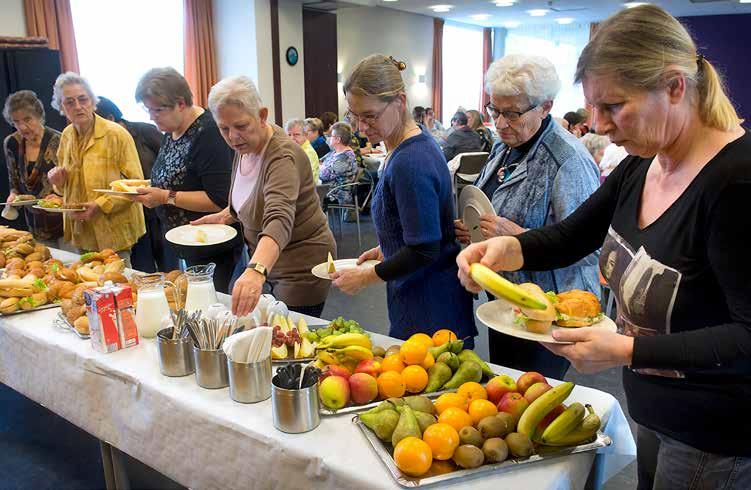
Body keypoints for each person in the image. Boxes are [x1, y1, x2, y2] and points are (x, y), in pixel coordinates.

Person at [457, 6, 751, 488]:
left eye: (613, 106)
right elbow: (572, 234)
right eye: (593, 106)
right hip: (657, 411)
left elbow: (747, 336)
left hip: (713, 433)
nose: (597, 124)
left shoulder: (735, 182)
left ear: (675, 87)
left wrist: (627, 350)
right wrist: (505, 252)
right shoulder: (644, 162)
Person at [454, 54, 600, 379]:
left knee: (531, 398)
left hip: (547, 312)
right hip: (505, 301)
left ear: (545, 107)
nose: (501, 123)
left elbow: (590, 249)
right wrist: (474, 232)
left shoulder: (568, 161)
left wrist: (518, 235)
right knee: (506, 388)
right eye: (495, 110)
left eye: (512, 113)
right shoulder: (504, 145)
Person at [331, 54, 476, 344]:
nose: (361, 127)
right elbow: (419, 225)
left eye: (369, 116)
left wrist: (366, 278)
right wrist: (389, 245)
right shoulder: (413, 145)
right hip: (425, 295)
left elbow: (424, 249)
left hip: (429, 305)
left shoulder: (410, 160)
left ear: (399, 101)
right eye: (353, 116)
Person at [194, 76, 336, 318]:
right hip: (269, 262)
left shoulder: (281, 157)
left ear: (262, 115)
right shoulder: (247, 145)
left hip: (299, 269)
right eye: (224, 128)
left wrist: (256, 271)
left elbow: (278, 218)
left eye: (240, 126)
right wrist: (227, 215)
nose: (232, 136)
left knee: (286, 342)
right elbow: (253, 195)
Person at [130, 67, 240, 293]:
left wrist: (164, 197)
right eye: (148, 110)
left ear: (180, 103)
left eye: (157, 110)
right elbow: (174, 177)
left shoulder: (209, 133)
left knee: (207, 308)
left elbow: (219, 199)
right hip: (182, 241)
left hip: (209, 246)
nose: (151, 117)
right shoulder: (171, 130)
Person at [48, 73, 145, 263]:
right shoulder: (66, 136)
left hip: (114, 231)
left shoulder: (116, 134)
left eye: (83, 99)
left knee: (119, 285)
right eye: (69, 102)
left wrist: (100, 205)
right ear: (61, 107)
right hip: (81, 230)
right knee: (88, 284)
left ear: (93, 101)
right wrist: (58, 184)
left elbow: (136, 184)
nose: (77, 106)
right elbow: (64, 187)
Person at [95, 96, 164, 272]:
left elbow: (168, 164)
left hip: (159, 210)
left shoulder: (146, 131)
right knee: (143, 271)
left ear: (110, 118)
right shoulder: (103, 143)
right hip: (132, 214)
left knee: (168, 266)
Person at [2, 90, 63, 247]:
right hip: (34, 225)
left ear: (39, 116)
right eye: (16, 121)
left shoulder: (60, 140)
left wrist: (58, 196)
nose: (22, 126)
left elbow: (71, 185)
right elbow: (14, 182)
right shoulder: (12, 143)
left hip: (63, 224)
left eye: (27, 119)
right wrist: (13, 195)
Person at [319, 122, 358, 210]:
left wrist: (322, 167)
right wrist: (322, 167)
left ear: (338, 139)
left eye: (331, 136)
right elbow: (319, 161)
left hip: (336, 192)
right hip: (328, 187)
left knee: (307, 192)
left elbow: (323, 175)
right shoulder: (335, 152)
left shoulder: (345, 157)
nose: (328, 138)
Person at [285, 118, 319, 182]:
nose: (292, 138)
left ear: (305, 135)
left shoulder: (308, 153)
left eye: (296, 134)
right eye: (289, 135)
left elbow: (306, 179)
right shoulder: (291, 150)